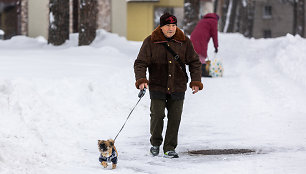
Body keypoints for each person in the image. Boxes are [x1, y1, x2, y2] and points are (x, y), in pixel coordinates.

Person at [134, 13, 203, 158]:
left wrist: (195, 81)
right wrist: (141, 79)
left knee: (175, 118)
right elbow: (140, 63)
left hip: (178, 85)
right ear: (161, 26)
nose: (171, 28)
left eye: (173, 25)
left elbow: (195, 62)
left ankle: (169, 147)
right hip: (157, 85)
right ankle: (155, 143)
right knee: (157, 116)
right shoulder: (151, 41)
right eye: (167, 25)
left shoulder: (184, 42)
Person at [190, 13, 219, 77]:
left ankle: (197, 71)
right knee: (202, 53)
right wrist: (216, 46)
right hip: (201, 38)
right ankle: (202, 71)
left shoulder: (203, 20)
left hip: (194, 36)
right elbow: (214, 35)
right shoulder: (214, 21)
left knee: (198, 53)